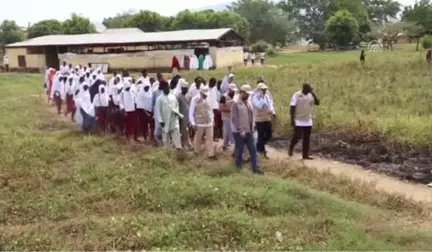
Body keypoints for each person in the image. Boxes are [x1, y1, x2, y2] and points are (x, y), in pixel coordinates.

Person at [231, 84, 263, 174]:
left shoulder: (248, 102)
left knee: (253, 150)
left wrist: (253, 125)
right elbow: (234, 118)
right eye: (246, 94)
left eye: (249, 94)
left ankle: (255, 169)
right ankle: (238, 168)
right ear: (242, 92)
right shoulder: (236, 103)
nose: (248, 95)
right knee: (239, 151)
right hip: (239, 132)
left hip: (249, 131)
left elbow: (250, 115)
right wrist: (240, 130)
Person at [288, 83, 320, 160]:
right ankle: (291, 147)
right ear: (304, 89)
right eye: (309, 89)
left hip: (308, 119)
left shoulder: (310, 95)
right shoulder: (296, 95)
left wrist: (313, 93)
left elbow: (317, 103)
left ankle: (305, 155)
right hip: (298, 119)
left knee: (307, 138)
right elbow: (292, 108)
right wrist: (292, 119)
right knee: (297, 136)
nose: (310, 91)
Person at [189, 86, 215, 159]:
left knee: (210, 139)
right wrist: (193, 123)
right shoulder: (195, 99)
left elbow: (211, 110)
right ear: (200, 92)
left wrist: (213, 120)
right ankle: (196, 153)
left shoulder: (209, 98)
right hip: (199, 123)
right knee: (198, 139)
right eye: (204, 94)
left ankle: (211, 155)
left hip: (208, 122)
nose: (205, 95)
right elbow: (191, 112)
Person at [252, 82, 275, 159]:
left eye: (265, 89)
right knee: (261, 135)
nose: (265, 91)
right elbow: (259, 106)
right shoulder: (255, 97)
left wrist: (272, 111)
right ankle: (262, 151)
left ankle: (259, 146)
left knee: (269, 134)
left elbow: (270, 104)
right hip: (259, 119)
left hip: (266, 118)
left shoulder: (266, 96)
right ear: (259, 90)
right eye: (263, 89)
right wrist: (261, 97)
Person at [156, 83, 182, 149]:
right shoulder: (159, 99)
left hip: (173, 119)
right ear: (163, 88)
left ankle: (179, 148)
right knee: (165, 137)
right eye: (166, 88)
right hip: (165, 121)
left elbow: (177, 105)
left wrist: (177, 112)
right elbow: (158, 111)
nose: (168, 89)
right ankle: (167, 150)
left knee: (176, 134)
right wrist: (160, 121)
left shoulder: (173, 96)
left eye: (168, 87)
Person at [220, 83, 237, 150]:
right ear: (229, 90)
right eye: (232, 91)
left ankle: (225, 145)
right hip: (226, 117)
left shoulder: (235, 96)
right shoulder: (223, 97)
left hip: (233, 116)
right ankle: (231, 145)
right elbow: (221, 108)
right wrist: (230, 110)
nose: (234, 92)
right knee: (229, 131)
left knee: (228, 131)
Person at [177, 80, 192, 150]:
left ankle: (186, 144)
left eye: (187, 88)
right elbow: (177, 108)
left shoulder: (188, 96)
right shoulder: (179, 97)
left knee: (186, 131)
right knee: (183, 132)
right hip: (181, 117)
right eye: (185, 89)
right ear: (182, 89)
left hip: (187, 117)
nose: (187, 90)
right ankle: (184, 145)